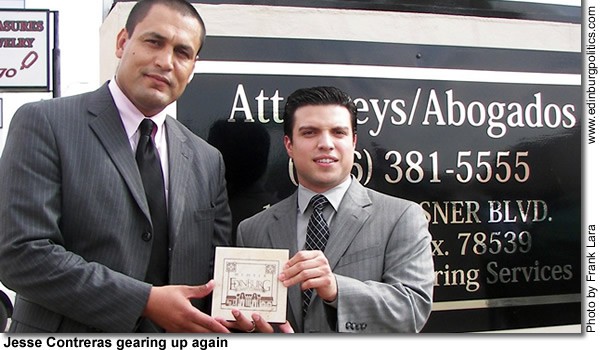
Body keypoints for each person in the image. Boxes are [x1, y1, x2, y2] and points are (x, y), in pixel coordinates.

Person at [0, 0, 231, 333]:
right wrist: (144, 301)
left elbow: (216, 272)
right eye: (154, 41)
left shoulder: (208, 160)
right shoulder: (45, 124)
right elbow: (20, 255)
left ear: (193, 67)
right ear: (123, 42)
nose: (165, 61)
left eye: (182, 52)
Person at [231, 86, 434, 333]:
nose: (326, 144)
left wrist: (336, 288)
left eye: (338, 132)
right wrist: (250, 330)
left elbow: (413, 309)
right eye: (309, 132)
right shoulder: (252, 230)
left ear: (353, 142)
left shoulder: (401, 217)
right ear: (289, 145)